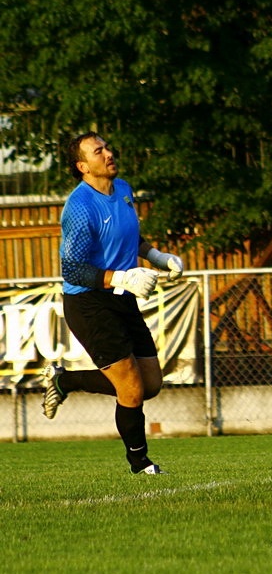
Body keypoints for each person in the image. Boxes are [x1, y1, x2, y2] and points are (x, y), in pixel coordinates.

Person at [41, 131, 184, 475]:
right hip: (89, 303)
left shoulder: (122, 189)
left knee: (150, 384)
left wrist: (155, 255)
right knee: (131, 388)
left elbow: (129, 234)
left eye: (107, 146)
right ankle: (141, 464)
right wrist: (120, 277)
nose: (108, 153)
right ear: (82, 166)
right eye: (98, 150)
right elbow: (71, 268)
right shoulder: (79, 207)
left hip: (122, 299)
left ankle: (66, 381)